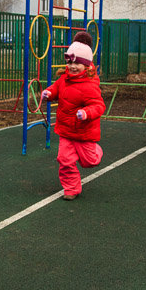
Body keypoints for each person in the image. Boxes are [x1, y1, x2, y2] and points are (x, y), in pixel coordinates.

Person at [39, 32, 106, 200]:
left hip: (84, 132)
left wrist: (86, 113)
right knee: (64, 160)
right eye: (70, 62)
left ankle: (96, 152)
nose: (72, 66)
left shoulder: (90, 85)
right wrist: (48, 93)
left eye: (77, 63)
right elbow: (55, 88)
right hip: (66, 130)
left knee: (90, 162)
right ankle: (71, 189)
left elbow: (98, 106)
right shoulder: (64, 79)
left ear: (86, 65)